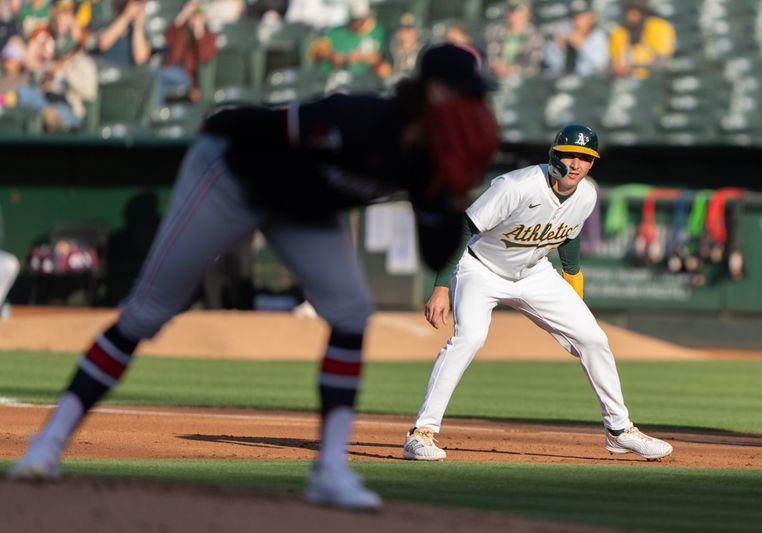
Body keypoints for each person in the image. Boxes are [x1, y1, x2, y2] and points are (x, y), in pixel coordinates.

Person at [8, 43, 500, 512]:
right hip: (230, 179)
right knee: (147, 314)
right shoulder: (357, 119)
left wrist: (443, 195)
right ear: (434, 93)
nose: (475, 107)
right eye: (467, 94)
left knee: (350, 311)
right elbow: (233, 124)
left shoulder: (425, 158)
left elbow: (434, 249)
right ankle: (46, 447)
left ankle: (330, 471)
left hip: (303, 207)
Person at [402, 124, 674, 463]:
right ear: (554, 155)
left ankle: (619, 432)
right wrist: (441, 285)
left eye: (585, 158)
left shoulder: (587, 193)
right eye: (569, 156)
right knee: (469, 338)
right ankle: (421, 434)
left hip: (534, 273)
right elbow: (465, 226)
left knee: (593, 339)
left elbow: (569, 236)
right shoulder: (516, 185)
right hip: (480, 268)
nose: (576, 164)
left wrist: (573, 281)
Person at [157, 0, 217, 105]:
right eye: (191, 15)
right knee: (158, 82)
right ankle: (156, 114)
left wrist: (198, 30)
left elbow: (204, 57)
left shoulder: (210, 36)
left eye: (195, 14)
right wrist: (184, 14)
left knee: (156, 75)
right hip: (170, 70)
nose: (193, 18)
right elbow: (167, 38)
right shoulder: (182, 30)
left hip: (188, 76)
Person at [307, 0, 388, 77]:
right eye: (354, 19)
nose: (357, 23)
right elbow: (317, 51)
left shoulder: (377, 31)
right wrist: (332, 56)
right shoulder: (335, 32)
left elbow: (381, 57)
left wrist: (360, 57)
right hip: (335, 77)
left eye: (360, 19)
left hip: (368, 79)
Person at [609, 0, 675, 79]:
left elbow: (662, 61)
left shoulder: (658, 27)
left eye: (634, 12)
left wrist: (632, 65)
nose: (630, 17)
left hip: (651, 78)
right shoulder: (619, 31)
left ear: (643, 12)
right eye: (628, 12)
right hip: (622, 78)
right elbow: (612, 60)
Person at [543, 0, 608, 78]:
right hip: (564, 80)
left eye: (582, 17)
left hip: (590, 82)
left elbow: (600, 63)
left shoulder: (597, 36)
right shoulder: (564, 30)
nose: (577, 21)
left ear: (591, 18)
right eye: (574, 17)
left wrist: (582, 45)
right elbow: (551, 63)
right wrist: (558, 48)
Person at [484, 0, 544, 80]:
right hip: (495, 79)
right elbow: (491, 59)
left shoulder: (535, 36)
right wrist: (498, 67)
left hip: (521, 82)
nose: (514, 14)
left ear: (528, 14)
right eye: (511, 10)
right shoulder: (496, 32)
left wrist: (513, 70)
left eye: (519, 11)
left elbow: (533, 65)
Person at [86, 0, 151, 69]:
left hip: (125, 75)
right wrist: (126, 16)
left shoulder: (140, 32)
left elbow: (140, 59)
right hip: (98, 68)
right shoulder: (105, 21)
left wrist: (138, 24)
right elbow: (102, 43)